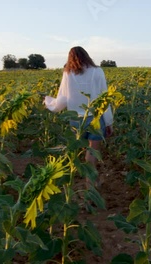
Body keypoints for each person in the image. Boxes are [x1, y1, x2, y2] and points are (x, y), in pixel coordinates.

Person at [44, 46, 113, 187]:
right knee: (93, 151)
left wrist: (49, 103)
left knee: (80, 150)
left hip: (75, 119)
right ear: (86, 55)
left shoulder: (68, 73)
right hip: (95, 118)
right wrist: (109, 122)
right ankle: (91, 181)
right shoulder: (98, 71)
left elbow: (62, 99)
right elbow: (105, 98)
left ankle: (82, 180)